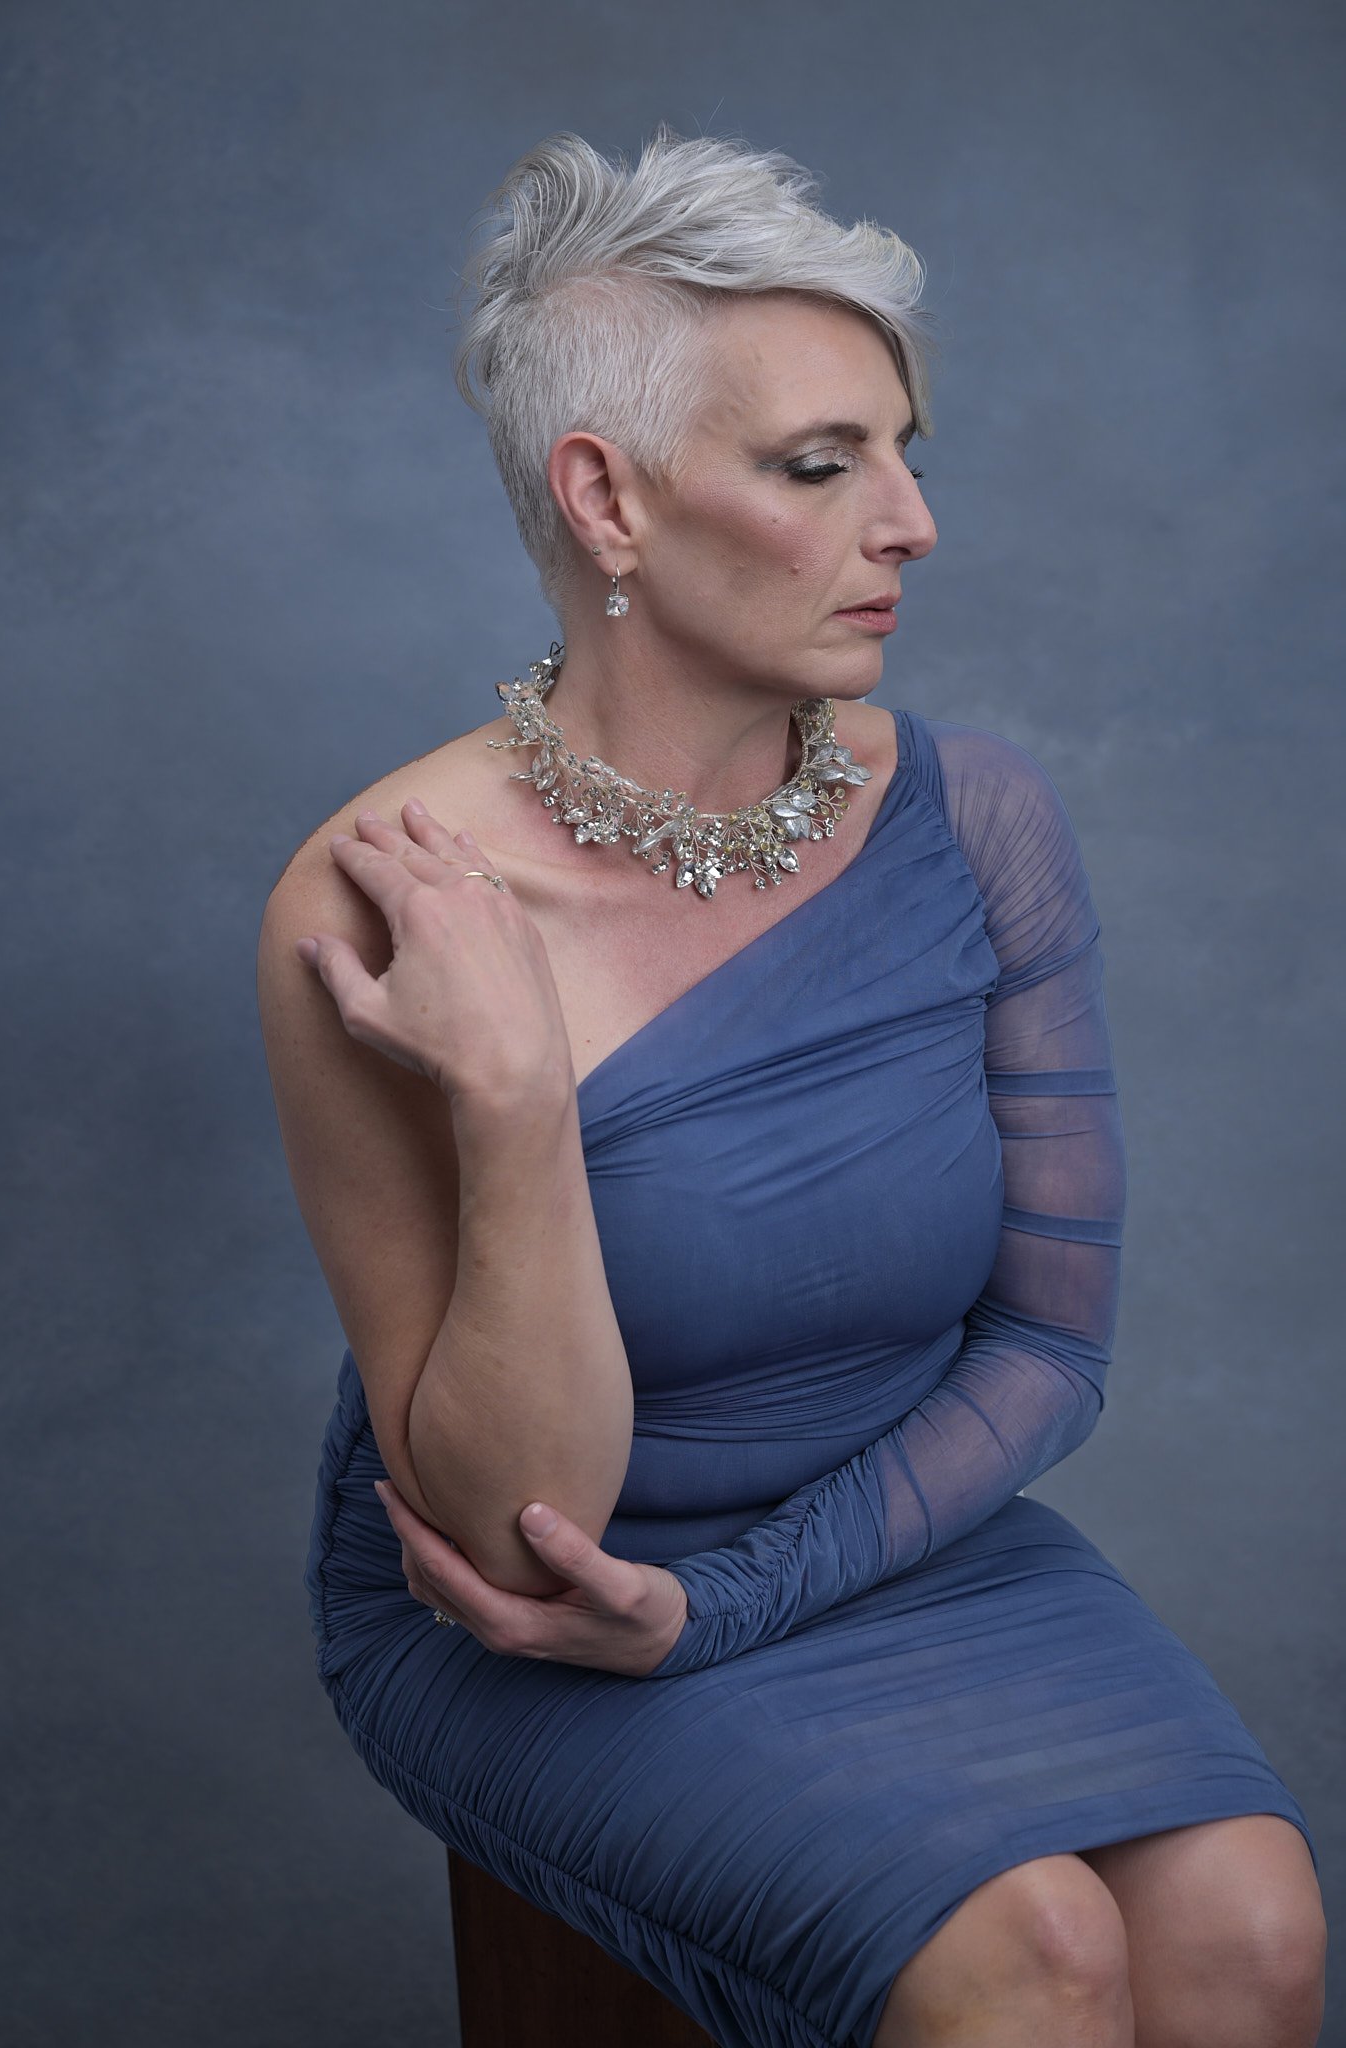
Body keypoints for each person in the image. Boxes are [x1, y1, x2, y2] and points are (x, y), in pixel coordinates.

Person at [256, 125, 1326, 2048]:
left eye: (907, 452)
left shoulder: (977, 819)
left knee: (1251, 1928)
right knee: (1033, 1953)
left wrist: (735, 1603)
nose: (912, 523)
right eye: (822, 467)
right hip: (531, 1613)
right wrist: (515, 1106)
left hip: (903, 1536)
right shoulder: (379, 901)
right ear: (607, 498)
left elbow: (1048, 1346)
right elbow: (514, 1531)